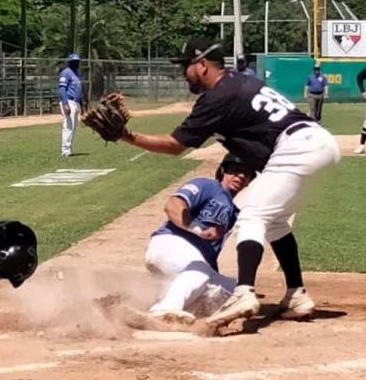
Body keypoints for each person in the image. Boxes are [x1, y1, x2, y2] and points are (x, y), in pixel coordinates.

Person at [114, 38, 340, 328]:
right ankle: (296, 294)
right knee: (275, 222)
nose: (185, 74)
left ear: (202, 65)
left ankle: (244, 292)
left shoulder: (218, 95)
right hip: (319, 144)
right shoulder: (238, 84)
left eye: (187, 67)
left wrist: (125, 136)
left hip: (298, 146)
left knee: (252, 217)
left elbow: (174, 146)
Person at [144, 153, 254, 325]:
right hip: (169, 243)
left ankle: (168, 301)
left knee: (235, 292)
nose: (240, 176)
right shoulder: (207, 186)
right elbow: (173, 206)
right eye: (236, 170)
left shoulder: (233, 214)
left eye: (246, 174)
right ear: (223, 171)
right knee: (200, 272)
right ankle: (162, 310)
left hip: (189, 262)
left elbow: (210, 256)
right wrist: (197, 229)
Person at [58, 52, 83, 157]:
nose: (76, 63)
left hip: (76, 102)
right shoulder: (66, 73)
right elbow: (62, 88)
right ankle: (65, 150)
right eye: (73, 62)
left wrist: (82, 103)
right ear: (69, 63)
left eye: (77, 61)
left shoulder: (77, 73)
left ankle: (69, 149)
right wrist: (65, 104)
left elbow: (79, 90)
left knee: (73, 127)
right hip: (69, 101)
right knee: (68, 126)